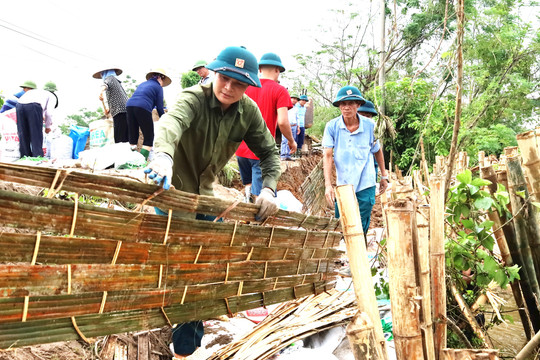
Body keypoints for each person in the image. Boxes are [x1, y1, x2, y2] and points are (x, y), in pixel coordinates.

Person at [144, 46, 281, 359]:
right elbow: (171, 124)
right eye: (224, 78)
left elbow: (270, 153)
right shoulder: (193, 98)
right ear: (214, 74)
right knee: (183, 268)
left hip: (206, 196)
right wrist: (163, 155)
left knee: (204, 269)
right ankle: (182, 347)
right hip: (173, 190)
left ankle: (187, 341)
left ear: (248, 86)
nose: (229, 87)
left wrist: (270, 189)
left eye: (238, 83)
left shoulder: (248, 112)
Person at [323, 85, 388, 234]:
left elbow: (377, 151)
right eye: (343, 104)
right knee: (343, 223)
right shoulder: (332, 127)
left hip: (366, 182)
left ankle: (360, 253)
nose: (347, 107)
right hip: (344, 184)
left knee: (361, 223)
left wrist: (384, 176)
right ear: (339, 106)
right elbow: (327, 156)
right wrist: (328, 185)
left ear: (358, 105)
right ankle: (345, 254)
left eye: (351, 103)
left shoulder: (370, 125)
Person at [235, 52, 297, 200]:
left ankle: (247, 215)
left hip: (241, 149)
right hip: (261, 152)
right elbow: (282, 121)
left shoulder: (246, 87)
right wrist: (291, 140)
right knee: (263, 197)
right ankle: (258, 221)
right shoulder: (280, 90)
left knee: (249, 187)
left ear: (260, 69)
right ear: (277, 70)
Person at [126, 68, 170, 159]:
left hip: (129, 106)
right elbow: (160, 108)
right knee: (149, 138)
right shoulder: (158, 87)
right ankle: (140, 162)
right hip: (143, 107)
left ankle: (129, 161)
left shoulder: (143, 84)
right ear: (161, 78)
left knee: (133, 136)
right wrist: (165, 121)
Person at [15, 81, 58, 157]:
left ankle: (25, 156)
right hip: (34, 106)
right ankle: (37, 156)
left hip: (19, 105)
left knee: (23, 132)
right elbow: (49, 113)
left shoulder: (37, 92)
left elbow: (33, 108)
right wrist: (47, 127)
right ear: (54, 91)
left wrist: (40, 116)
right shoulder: (52, 96)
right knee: (36, 133)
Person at [93, 67, 129, 143]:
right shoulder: (116, 81)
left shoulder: (109, 78)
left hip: (120, 111)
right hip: (125, 110)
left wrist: (101, 92)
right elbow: (117, 97)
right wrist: (109, 109)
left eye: (101, 73)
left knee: (120, 138)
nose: (101, 75)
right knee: (125, 135)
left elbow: (105, 85)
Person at [280, 94, 299, 160]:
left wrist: (298, 127)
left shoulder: (296, 108)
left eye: (296, 99)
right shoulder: (285, 107)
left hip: (294, 125)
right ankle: (283, 155)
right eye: (293, 98)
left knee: (292, 141)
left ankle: (288, 155)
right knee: (285, 140)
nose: (294, 100)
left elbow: (297, 118)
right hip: (287, 125)